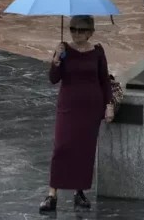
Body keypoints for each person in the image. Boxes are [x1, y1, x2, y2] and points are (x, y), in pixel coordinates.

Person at [40, 16, 113, 213]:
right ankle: (52, 194)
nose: (76, 33)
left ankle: (79, 192)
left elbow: (104, 80)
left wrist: (108, 105)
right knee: (61, 147)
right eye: (73, 29)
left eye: (81, 30)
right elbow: (54, 79)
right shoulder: (64, 49)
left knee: (84, 150)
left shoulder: (97, 51)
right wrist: (56, 60)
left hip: (91, 108)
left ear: (90, 32)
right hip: (68, 107)